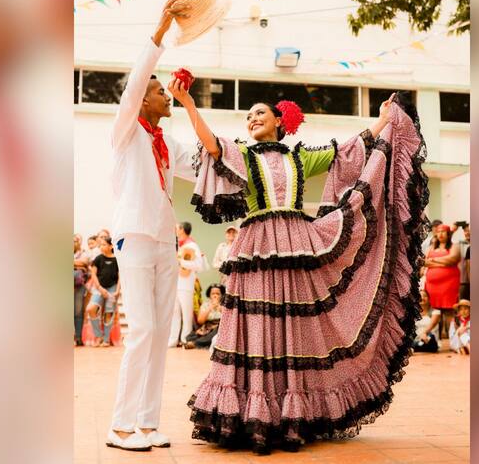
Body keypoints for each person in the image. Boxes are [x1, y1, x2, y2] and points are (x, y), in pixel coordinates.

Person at [172, 78, 430, 453]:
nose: (251, 119)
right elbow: (211, 143)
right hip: (258, 244)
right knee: (258, 325)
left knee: (294, 325)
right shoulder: (244, 154)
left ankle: (292, 411)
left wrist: (381, 121)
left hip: (295, 240)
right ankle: (254, 410)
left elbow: (350, 151)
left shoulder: (299, 156)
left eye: (258, 113)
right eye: (247, 116)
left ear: (279, 119)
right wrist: (187, 103)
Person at [103, 0, 199, 452]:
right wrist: (160, 31)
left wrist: (188, 102)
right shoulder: (126, 130)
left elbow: (203, 164)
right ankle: (120, 426)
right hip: (134, 238)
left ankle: (146, 423)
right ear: (143, 100)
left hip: (163, 241)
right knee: (141, 329)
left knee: (160, 334)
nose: (165, 96)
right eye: (160, 92)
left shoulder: (168, 141)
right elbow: (135, 82)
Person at [169, 222, 206, 347]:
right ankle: (173, 340)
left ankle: (186, 339)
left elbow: (198, 265)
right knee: (174, 313)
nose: (175, 230)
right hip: (174, 283)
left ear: (182, 230)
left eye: (177, 228)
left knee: (186, 313)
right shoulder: (177, 245)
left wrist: (180, 261)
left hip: (186, 285)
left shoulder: (192, 245)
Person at [424, 224, 462, 331]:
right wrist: (444, 262)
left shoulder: (454, 246)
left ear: (448, 234)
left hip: (449, 283)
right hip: (432, 285)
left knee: (449, 310)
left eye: (443, 231)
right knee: (435, 310)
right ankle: (435, 336)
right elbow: (425, 262)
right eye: (438, 232)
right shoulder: (431, 248)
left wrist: (434, 260)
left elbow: (453, 259)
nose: (440, 234)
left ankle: (454, 338)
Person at [86, 236, 121, 347]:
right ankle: (99, 336)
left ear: (111, 246)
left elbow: (120, 277)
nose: (101, 247)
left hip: (112, 288)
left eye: (104, 244)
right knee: (90, 309)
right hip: (98, 288)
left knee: (109, 313)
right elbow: (93, 275)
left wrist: (117, 291)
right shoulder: (98, 259)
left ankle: (105, 340)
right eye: (100, 245)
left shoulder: (117, 260)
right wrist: (100, 289)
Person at [183, 284, 224, 349]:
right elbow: (200, 321)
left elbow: (227, 319)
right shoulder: (206, 304)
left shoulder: (224, 305)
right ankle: (199, 342)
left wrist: (219, 307)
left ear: (222, 295)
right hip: (206, 328)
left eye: (218, 294)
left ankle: (195, 343)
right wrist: (210, 307)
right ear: (209, 295)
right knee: (190, 337)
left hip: (218, 328)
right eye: (213, 294)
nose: (215, 295)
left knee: (216, 333)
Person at [74, 234, 91, 346]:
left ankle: (79, 338)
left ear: (80, 242)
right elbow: (81, 264)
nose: (74, 242)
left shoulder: (85, 252)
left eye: (76, 240)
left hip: (79, 285)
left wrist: (80, 264)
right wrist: (78, 264)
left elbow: (85, 262)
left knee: (78, 311)